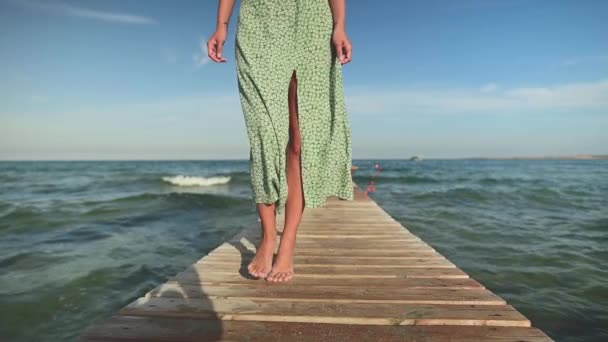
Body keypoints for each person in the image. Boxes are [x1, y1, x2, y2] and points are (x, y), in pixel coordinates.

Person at [208, 0, 354, 283]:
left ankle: (287, 242)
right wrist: (221, 26)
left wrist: (340, 26)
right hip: (260, 20)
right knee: (265, 135)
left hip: (312, 20)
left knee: (300, 140)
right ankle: (267, 236)